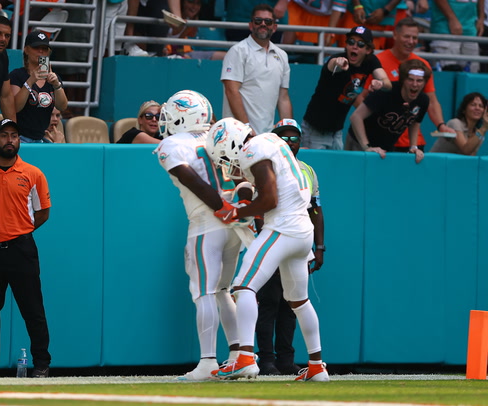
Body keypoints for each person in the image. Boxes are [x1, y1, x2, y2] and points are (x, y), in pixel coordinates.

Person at [208, 122, 329, 383]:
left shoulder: (256, 147)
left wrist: (236, 212)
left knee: (242, 287)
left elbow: (270, 200)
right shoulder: (272, 143)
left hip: (282, 228)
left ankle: (244, 359)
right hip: (301, 231)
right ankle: (317, 366)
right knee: (298, 301)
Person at [154, 91, 251, 381]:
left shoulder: (172, 144)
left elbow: (188, 177)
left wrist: (219, 207)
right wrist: (233, 208)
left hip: (207, 222)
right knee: (223, 291)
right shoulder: (217, 133)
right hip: (233, 224)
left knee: (205, 292)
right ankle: (239, 357)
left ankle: (208, 362)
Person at [0, 118, 52, 379]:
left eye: (14, 135)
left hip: (21, 250)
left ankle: (41, 364)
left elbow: (43, 212)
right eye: (4, 135)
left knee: (33, 310)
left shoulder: (34, 174)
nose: (10, 140)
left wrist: (18, 231)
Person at [255, 118, 325, 376]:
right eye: (283, 137)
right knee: (268, 301)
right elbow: (259, 206)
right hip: (273, 239)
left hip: (298, 242)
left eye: (294, 138)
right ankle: (266, 360)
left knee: (292, 304)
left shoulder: (307, 170)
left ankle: (286, 359)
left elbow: (316, 209)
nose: (289, 142)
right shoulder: (264, 166)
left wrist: (320, 247)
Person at [301, 26, 390, 150]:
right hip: (315, 130)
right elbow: (332, 64)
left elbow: (387, 84)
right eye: (351, 42)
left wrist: (381, 83)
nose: (355, 46)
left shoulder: (370, 62)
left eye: (360, 44)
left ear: (368, 50)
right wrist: (338, 62)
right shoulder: (337, 60)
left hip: (336, 132)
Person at [374, 17, 455, 151]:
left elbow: (432, 101)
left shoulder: (423, 65)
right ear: (395, 35)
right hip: (381, 140)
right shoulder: (378, 61)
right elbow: (363, 98)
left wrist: (441, 125)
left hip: (412, 144)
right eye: (407, 36)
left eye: (414, 38)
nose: (411, 42)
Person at [221, 4, 292, 134]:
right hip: (237, 135)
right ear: (251, 25)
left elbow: (283, 98)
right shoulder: (237, 51)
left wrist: (289, 132)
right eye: (258, 21)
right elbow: (231, 91)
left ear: (274, 27)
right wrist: (246, 128)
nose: (263, 24)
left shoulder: (282, 55)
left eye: (268, 21)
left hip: (266, 136)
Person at [346, 59, 430, 164]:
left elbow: (415, 122)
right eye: (410, 80)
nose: (414, 84)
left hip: (386, 148)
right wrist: (367, 147)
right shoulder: (386, 92)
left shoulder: (423, 100)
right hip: (359, 142)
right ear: (403, 80)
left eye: (419, 81)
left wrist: (413, 146)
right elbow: (355, 117)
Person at [10, 30, 68, 143]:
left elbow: (62, 106)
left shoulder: (53, 78)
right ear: (26, 50)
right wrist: (30, 82)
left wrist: (56, 85)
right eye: (36, 47)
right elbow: (15, 107)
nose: (41, 51)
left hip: (40, 138)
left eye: (45, 48)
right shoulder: (17, 75)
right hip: (20, 137)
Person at [429, 0, 484, 73]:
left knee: (471, 76)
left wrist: (481, 18)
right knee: (446, 75)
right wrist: (452, 18)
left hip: (470, 31)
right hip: (445, 31)